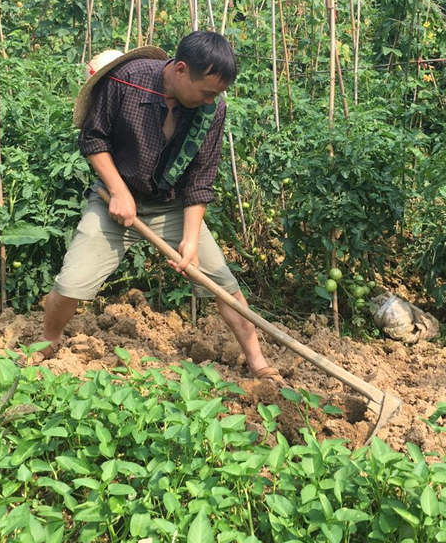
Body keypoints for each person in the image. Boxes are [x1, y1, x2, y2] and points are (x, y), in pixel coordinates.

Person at [40, 31, 280, 381]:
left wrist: (190, 240)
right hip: (115, 199)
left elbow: (201, 178)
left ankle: (258, 363)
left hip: (172, 205)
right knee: (72, 282)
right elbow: (93, 138)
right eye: (207, 91)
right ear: (181, 70)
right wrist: (119, 191)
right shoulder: (125, 81)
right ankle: (48, 340)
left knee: (223, 285)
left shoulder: (212, 109)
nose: (212, 99)